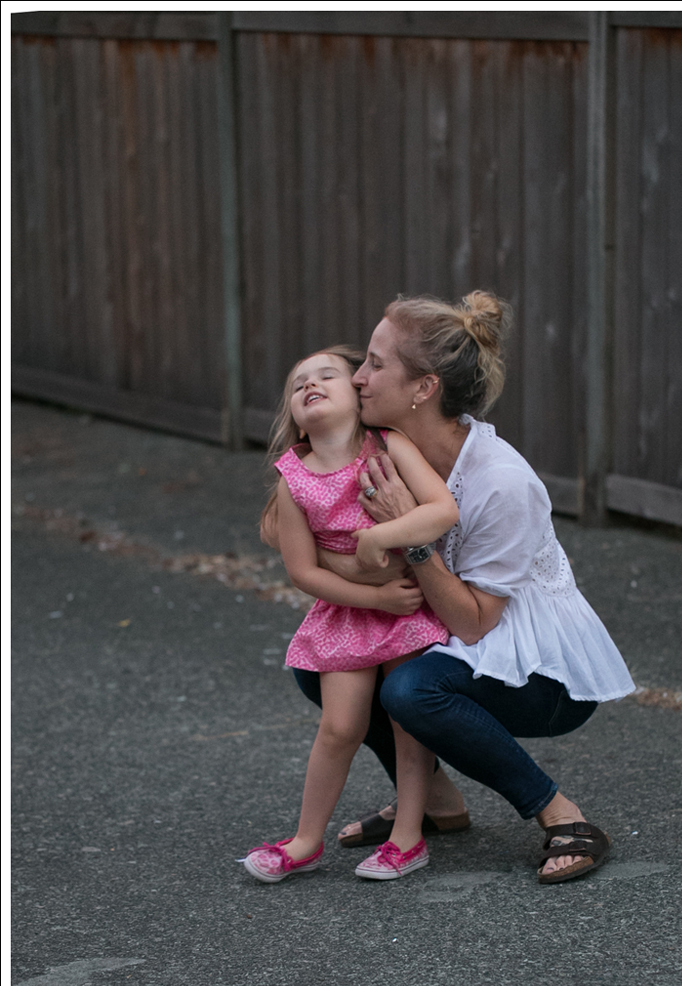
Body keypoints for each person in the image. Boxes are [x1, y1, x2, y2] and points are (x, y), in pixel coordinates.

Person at [303, 292, 635, 883]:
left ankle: (563, 816)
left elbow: (476, 621)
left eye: (376, 365)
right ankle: (433, 803)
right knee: (324, 659)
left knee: (412, 691)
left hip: (542, 670)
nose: (357, 378)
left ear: (423, 389)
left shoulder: (502, 483)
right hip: (459, 633)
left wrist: (411, 535)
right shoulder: (380, 452)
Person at [240, 346, 459, 883]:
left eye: (327, 376)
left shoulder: (387, 447)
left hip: (408, 610)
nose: (310, 385)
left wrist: (380, 539)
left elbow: (442, 509)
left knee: (409, 726)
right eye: (299, 383)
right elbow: (303, 572)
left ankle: (408, 839)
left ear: (358, 395)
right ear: (293, 411)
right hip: (353, 612)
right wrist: (374, 598)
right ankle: (305, 839)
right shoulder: (293, 478)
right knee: (339, 727)